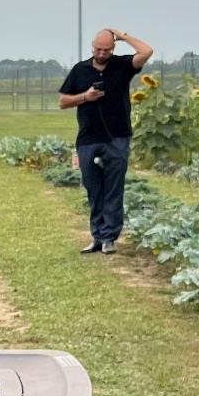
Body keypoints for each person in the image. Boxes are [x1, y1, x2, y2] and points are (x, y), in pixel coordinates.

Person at [59, 27, 154, 254]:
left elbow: (147, 51)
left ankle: (109, 237)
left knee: (114, 187)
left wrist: (123, 36)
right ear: (92, 47)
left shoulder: (122, 65)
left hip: (117, 136)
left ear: (113, 48)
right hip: (88, 137)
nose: (101, 54)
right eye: (98, 49)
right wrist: (86, 97)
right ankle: (97, 236)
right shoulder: (79, 70)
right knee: (93, 187)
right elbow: (63, 101)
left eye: (106, 49)